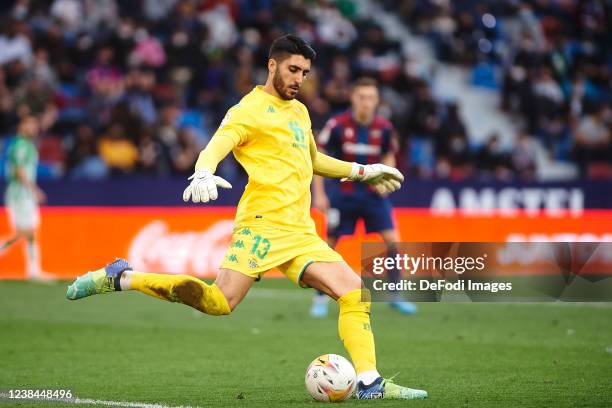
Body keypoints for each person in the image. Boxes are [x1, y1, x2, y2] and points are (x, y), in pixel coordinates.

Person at [66, 34, 427, 400]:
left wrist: (362, 171)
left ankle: (369, 382)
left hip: (299, 230)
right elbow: (216, 145)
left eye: (305, 72)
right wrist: (203, 170)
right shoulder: (247, 110)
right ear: (272, 65)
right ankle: (123, 277)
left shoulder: (300, 111)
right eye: (293, 69)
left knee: (355, 293)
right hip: (261, 226)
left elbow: (312, 159)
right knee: (217, 302)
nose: (300, 78)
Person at [310, 77, 417, 317]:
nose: (366, 103)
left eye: (370, 98)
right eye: (361, 97)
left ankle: (396, 294)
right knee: (329, 246)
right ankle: (319, 298)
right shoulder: (337, 124)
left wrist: (387, 182)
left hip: (373, 198)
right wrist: (318, 194)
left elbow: (389, 155)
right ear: (352, 98)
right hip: (343, 195)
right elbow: (317, 157)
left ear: (377, 100)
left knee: (393, 241)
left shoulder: (385, 128)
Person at [1, 115, 46, 279]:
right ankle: (34, 270)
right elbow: (19, 170)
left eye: (35, 124)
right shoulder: (20, 145)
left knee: (31, 232)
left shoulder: (27, 144)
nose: (34, 127)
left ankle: (34, 271)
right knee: (25, 231)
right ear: (21, 126)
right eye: (30, 124)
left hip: (26, 194)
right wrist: (35, 190)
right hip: (20, 194)